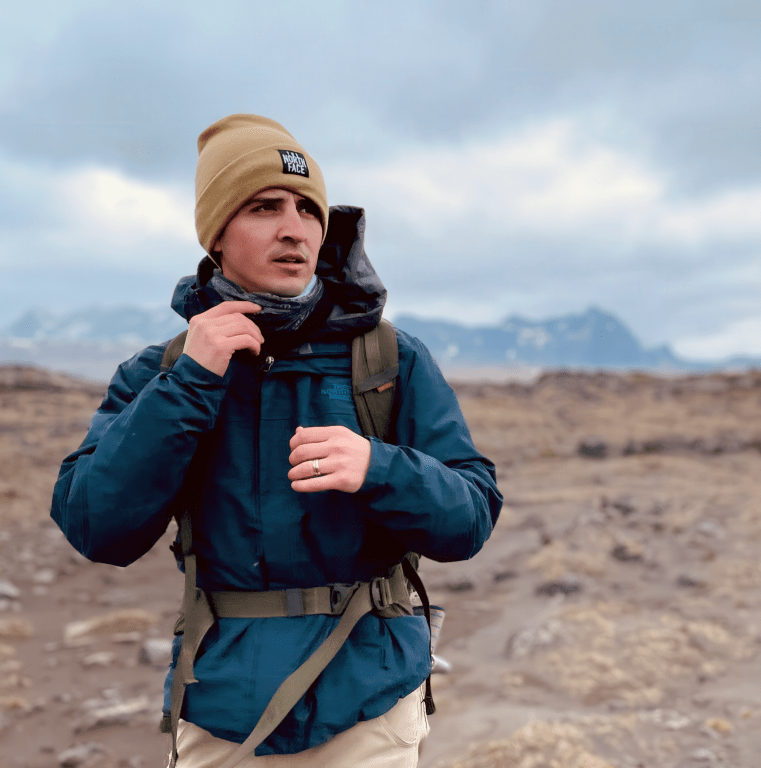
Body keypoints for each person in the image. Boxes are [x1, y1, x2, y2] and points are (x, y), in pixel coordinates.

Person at [50, 114, 502, 767]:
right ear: (217, 234)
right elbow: (97, 528)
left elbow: (471, 518)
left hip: (370, 712)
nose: (295, 229)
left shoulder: (389, 361)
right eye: (264, 207)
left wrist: (380, 468)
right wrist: (191, 384)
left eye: (307, 210)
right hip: (221, 714)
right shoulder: (159, 373)